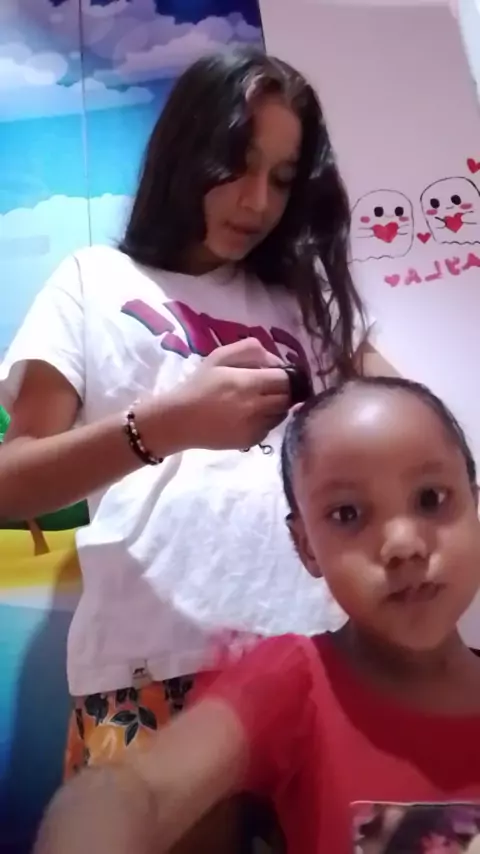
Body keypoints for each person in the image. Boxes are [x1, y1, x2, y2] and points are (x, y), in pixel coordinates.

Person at [0, 48, 393, 847]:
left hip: (324, 658)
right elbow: (11, 485)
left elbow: (406, 430)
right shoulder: (93, 279)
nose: (257, 202)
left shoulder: (306, 299)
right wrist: (164, 427)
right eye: (236, 166)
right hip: (152, 666)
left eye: (282, 178)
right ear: (187, 151)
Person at [33, 376, 480, 854]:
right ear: (307, 548)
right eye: (348, 514)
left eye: (431, 499)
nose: (403, 545)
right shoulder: (296, 682)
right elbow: (136, 791)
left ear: (474, 505)